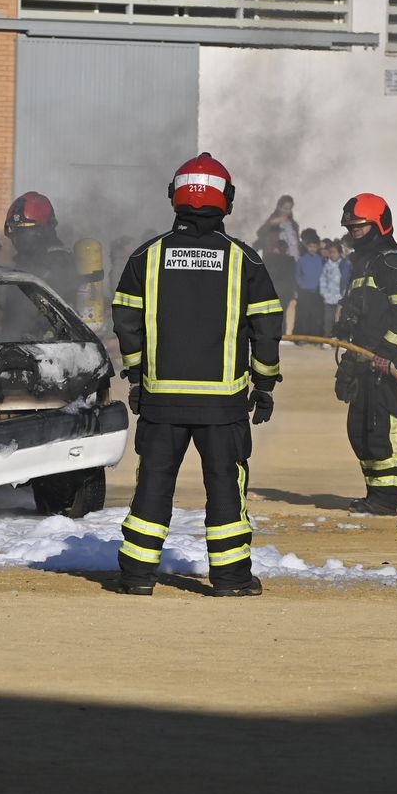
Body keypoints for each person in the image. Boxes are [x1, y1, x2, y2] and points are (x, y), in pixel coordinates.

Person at [111, 153, 282, 597]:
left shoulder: (145, 257)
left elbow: (126, 319)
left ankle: (136, 576)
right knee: (226, 488)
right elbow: (266, 326)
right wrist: (263, 386)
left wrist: (136, 375)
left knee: (153, 486)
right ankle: (231, 580)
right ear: (227, 200)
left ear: (175, 197)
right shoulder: (245, 260)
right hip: (223, 405)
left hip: (162, 399)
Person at [333, 193, 397, 516]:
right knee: (360, 429)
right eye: (350, 227)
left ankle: (387, 498)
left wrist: (386, 352)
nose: (353, 232)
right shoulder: (362, 265)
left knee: (383, 429)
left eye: (359, 227)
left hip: (389, 365)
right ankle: (374, 491)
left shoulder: (391, 263)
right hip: (363, 362)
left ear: (377, 226)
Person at [4, 191, 80, 303]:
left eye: (23, 228)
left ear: (43, 230)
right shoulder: (27, 259)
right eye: (14, 229)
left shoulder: (58, 262)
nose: (17, 236)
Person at [293, 229, 326, 336]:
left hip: (317, 292)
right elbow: (297, 276)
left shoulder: (321, 260)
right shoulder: (302, 260)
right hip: (304, 292)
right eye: (310, 246)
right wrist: (301, 285)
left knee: (316, 315)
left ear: (318, 247)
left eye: (315, 247)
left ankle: (315, 338)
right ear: (306, 246)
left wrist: (321, 288)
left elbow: (324, 276)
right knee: (303, 315)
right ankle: (301, 337)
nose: (312, 249)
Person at [319, 239, 346, 334]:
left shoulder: (345, 264)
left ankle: (337, 339)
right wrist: (324, 293)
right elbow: (323, 280)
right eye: (330, 253)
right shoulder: (327, 265)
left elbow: (347, 279)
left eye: (334, 252)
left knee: (339, 319)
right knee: (328, 319)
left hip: (341, 298)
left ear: (340, 253)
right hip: (329, 298)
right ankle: (327, 339)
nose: (332, 255)